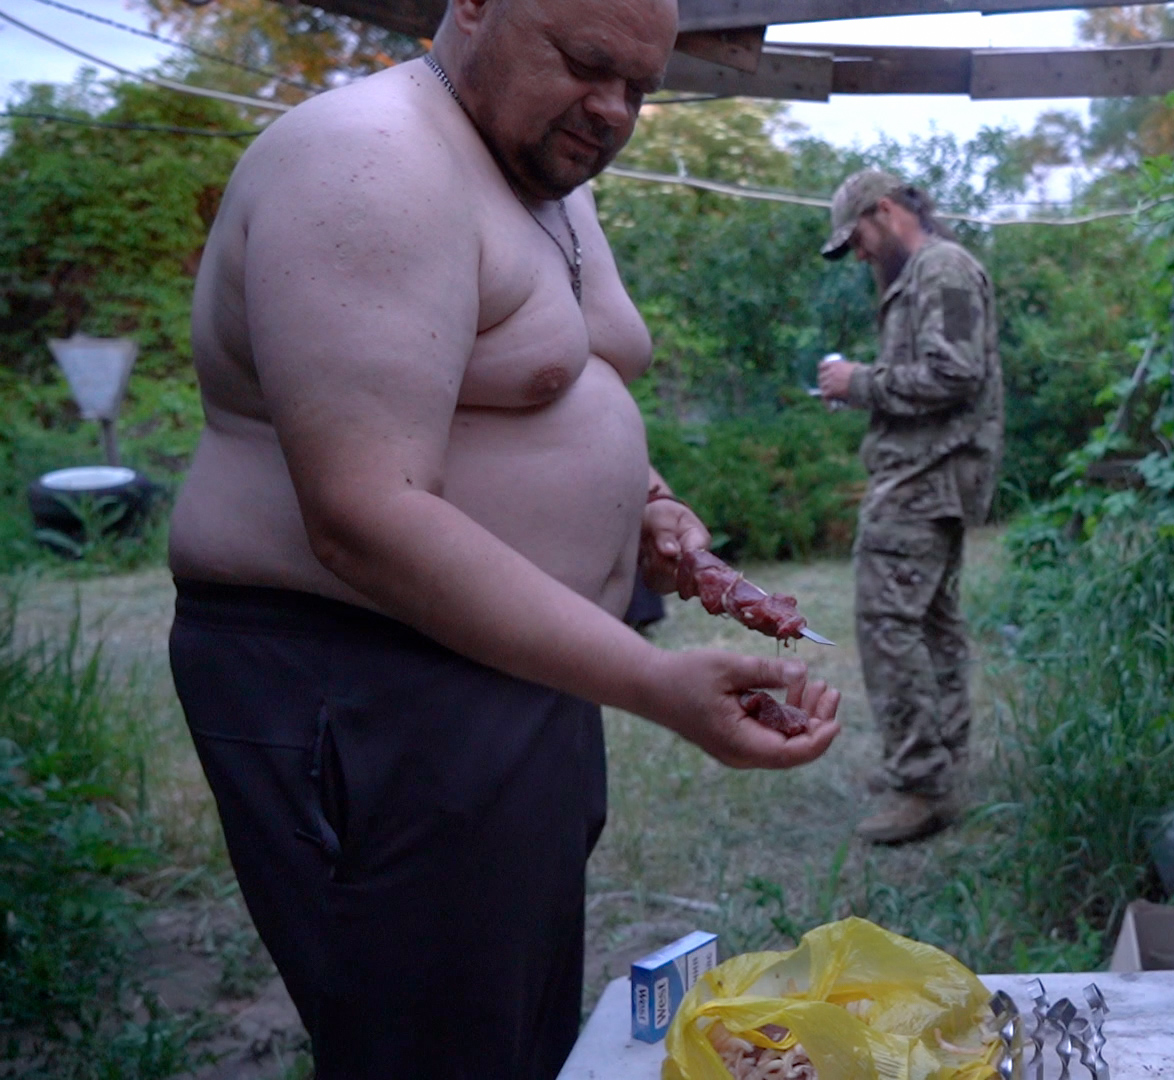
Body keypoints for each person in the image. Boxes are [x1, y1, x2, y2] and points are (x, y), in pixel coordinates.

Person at [165, 0, 843, 1075]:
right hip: (372, 682)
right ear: (473, 6)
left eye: (639, 86)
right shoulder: (370, 164)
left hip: (505, 660)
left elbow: (559, 378)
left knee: (508, 1026)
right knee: (429, 1045)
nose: (614, 110)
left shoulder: (532, 169)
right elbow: (364, 516)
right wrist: (656, 685)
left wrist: (647, 500)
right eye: (585, 64)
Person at [816, 170, 1004, 845]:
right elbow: (936, 373)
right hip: (932, 475)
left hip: (928, 481)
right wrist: (865, 388)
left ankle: (921, 781)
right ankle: (939, 760)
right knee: (929, 625)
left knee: (888, 624)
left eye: (857, 238)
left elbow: (957, 374)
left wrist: (858, 381)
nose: (858, 253)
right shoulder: (920, 275)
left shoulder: (942, 269)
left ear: (885, 210)